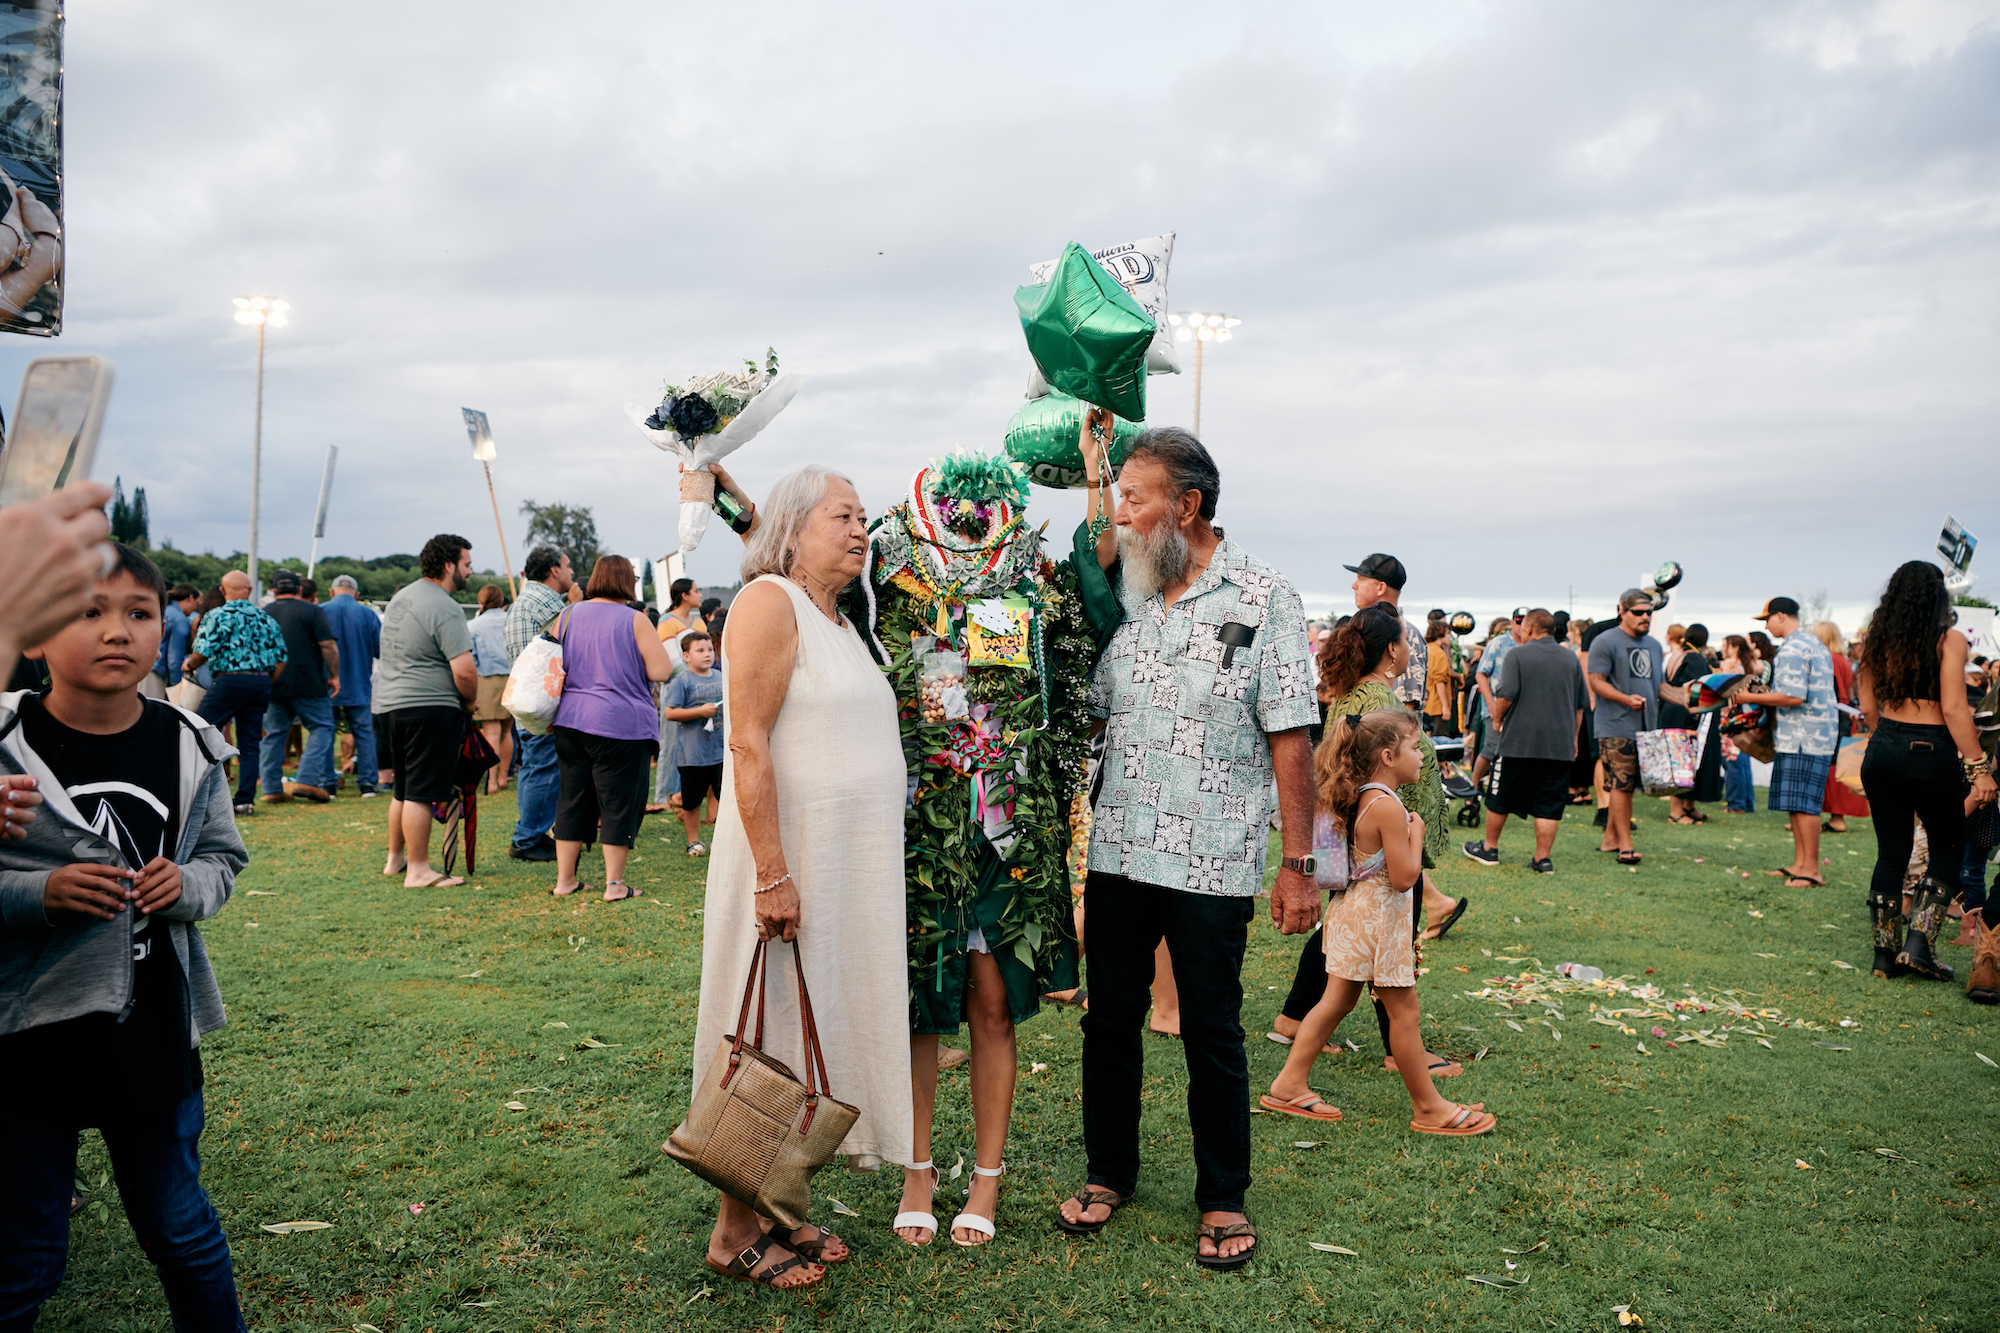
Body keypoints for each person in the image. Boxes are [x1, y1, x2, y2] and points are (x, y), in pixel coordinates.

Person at [1053, 426, 1319, 1271]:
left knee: (1211, 1027)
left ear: (1188, 506)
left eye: (1134, 497)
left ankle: (1222, 1196)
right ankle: (1108, 1172)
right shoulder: (1121, 593)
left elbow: (1291, 736)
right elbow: (1089, 713)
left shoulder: (1265, 594)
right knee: (1110, 1019)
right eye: (1118, 497)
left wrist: (1299, 863)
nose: (1120, 514)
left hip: (1214, 857)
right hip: (1120, 848)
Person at [0, 544, 251, 1332]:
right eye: (88, 611)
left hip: (149, 1034)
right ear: (35, 633)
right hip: (23, 1039)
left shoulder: (191, 743)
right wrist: (38, 893)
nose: (118, 631)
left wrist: (187, 886)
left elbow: (222, 858)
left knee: (181, 1230)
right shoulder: (5, 744)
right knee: (24, 1255)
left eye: (138, 613)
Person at [688, 464, 912, 1291]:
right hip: (791, 861)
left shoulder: (841, 619)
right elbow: (747, 742)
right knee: (771, 1029)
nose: (860, 531)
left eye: (863, 518)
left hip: (847, 867)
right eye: (841, 516)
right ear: (791, 531)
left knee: (820, 1021)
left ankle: (782, 1198)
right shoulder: (768, 602)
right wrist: (773, 874)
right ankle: (731, 1227)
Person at [1263, 709, 1496, 1137]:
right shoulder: (1389, 808)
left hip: (1354, 916)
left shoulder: (1363, 795)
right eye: (1414, 746)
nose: (1423, 754)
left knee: (1336, 1002)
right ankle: (1429, 1108)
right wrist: (1417, 831)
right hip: (1378, 923)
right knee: (1404, 1012)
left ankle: (1288, 1084)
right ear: (1388, 756)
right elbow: (1406, 877)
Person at [1271, 606, 1462, 1075]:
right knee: (1390, 957)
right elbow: (1390, 776)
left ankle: (1295, 1023)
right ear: (1392, 649)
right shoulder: (1378, 700)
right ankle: (1400, 1051)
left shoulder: (1353, 693)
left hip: (1363, 837)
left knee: (1343, 944)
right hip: (1383, 842)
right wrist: (1411, 826)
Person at [1857, 562, 1996, 981]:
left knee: (1891, 853)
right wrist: (1979, 768)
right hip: (1930, 749)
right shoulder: (1948, 639)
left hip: (1882, 748)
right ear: (1939, 595)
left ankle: (1884, 956)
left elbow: (1867, 710)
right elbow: (1954, 708)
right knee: (1949, 848)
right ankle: (1918, 947)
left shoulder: (1876, 640)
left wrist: (1889, 741)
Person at [548, 556, 677, 902]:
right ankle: (614, 885)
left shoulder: (568, 615)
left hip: (571, 721)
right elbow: (661, 671)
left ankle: (565, 880)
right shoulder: (635, 620)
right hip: (621, 725)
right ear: (626, 583)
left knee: (572, 801)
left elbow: (548, 659)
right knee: (618, 803)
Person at [374, 535, 476, 889]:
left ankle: (396, 859)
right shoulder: (444, 605)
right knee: (420, 791)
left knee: (402, 789)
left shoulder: (403, 596)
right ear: (449, 565)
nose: (470, 571)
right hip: (427, 705)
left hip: (389, 704)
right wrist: (469, 702)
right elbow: (464, 669)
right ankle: (419, 870)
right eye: (466, 564)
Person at [1461, 608, 1586, 873]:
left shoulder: (1517, 654)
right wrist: (1573, 738)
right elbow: (1579, 705)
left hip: (1519, 742)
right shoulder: (1571, 658)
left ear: (1529, 628)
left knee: (1500, 796)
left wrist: (1497, 716)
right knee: (1549, 803)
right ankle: (1542, 859)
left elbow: (1507, 693)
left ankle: (1489, 848)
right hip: (1559, 745)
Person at [1734, 598, 1839, 889]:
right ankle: (1800, 864)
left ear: (1781, 616)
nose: (1766, 626)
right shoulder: (1814, 643)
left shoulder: (1793, 647)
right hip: (1807, 734)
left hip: (1804, 736)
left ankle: (1811, 870)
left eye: (1767, 619)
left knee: (1805, 805)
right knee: (1796, 803)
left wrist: (1746, 697)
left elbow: (1792, 697)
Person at [187, 570, 288, 816]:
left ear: (222, 591)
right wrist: (266, 680)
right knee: (250, 743)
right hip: (260, 682)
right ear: (250, 590)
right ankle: (245, 801)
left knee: (199, 734)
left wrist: (189, 665)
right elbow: (281, 658)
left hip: (229, 681)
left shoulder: (217, 615)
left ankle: (198, 796)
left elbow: (202, 650)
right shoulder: (265, 617)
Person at [504, 545, 573, 863]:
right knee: (544, 770)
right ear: (554, 570)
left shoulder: (522, 600)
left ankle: (528, 833)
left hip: (527, 703)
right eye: (568, 566)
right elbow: (569, 645)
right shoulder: (548, 603)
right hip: (544, 703)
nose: (571, 573)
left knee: (533, 769)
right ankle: (528, 838)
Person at [1585, 590, 1662, 865]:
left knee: (1628, 785)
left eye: (1649, 613)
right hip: (1614, 724)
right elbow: (1596, 681)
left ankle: (1610, 839)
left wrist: (1693, 698)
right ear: (1622, 610)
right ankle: (1625, 845)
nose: (1645, 618)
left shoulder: (1654, 645)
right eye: (1638, 612)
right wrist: (1625, 699)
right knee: (1621, 785)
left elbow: (1658, 685)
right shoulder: (1604, 641)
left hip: (1646, 727)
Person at [257, 569, 339, 805]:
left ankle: (271, 789)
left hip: (273, 682)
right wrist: (334, 675)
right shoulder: (313, 610)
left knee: (273, 735)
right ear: (300, 589)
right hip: (310, 682)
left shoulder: (264, 613)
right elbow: (327, 646)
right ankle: (306, 779)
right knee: (322, 727)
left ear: (272, 590)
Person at [660, 630, 724, 857]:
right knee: (692, 800)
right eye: (700, 650)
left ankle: (724, 840)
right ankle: (693, 841)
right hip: (692, 754)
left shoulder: (720, 676)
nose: (707, 654)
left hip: (720, 752)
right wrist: (700, 712)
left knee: (725, 797)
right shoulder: (682, 681)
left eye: (710, 649)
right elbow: (670, 713)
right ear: (686, 656)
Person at [646, 578, 704, 815]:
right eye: (696, 590)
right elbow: (671, 658)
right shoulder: (666, 621)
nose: (700, 595)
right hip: (676, 687)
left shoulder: (699, 621)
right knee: (670, 742)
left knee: (694, 742)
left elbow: (704, 652)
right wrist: (696, 677)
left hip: (697, 686)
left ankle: (686, 793)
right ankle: (663, 794)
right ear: (684, 596)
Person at [321, 575, 382, 797]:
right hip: (358, 683)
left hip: (326, 684)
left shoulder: (321, 611)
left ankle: (328, 783)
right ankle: (368, 784)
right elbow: (379, 650)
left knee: (325, 732)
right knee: (364, 733)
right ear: (356, 594)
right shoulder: (368, 614)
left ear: (331, 591)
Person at [1345, 553, 1428, 712]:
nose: (1354, 585)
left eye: (1361, 579)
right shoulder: (1361, 629)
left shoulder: (1405, 635)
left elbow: (1406, 707)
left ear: (1381, 587)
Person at [1659, 624, 1725, 824]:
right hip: (1685, 712)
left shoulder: (1677, 655)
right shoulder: (1694, 658)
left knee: (1692, 757)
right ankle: (1676, 811)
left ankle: (1688, 806)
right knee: (1683, 757)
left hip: (1676, 710)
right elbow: (1692, 687)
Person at [1814, 621, 1869, 834]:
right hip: (1846, 717)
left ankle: (1817, 816)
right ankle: (1837, 817)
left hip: (1832, 718)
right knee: (1842, 769)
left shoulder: (1828, 660)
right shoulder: (1844, 660)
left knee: (1828, 768)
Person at [1471, 612, 1527, 790]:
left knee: (1518, 752)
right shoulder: (1498, 643)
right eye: (1518, 621)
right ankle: (1472, 789)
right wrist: (1491, 705)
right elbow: (1480, 674)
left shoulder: (1530, 644)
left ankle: (1508, 789)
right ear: (1512, 622)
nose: (1521, 625)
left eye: (1525, 622)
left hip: (1522, 710)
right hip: (1496, 706)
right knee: (1491, 749)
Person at [468, 583, 513, 797]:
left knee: (492, 732)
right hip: (512, 679)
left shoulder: (473, 625)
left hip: (486, 680)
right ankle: (504, 776)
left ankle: (492, 781)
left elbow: (472, 657)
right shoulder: (511, 621)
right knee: (506, 731)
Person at [150, 584, 197, 703]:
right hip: (158, 671)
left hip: (147, 666)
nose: (195, 609)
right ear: (190, 598)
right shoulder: (179, 620)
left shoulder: (164, 610)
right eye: (196, 603)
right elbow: (175, 657)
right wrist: (177, 684)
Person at [1423, 619, 1452, 735]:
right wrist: (1445, 706)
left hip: (1427, 704)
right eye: (1448, 633)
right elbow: (1439, 681)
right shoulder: (1439, 653)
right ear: (1440, 634)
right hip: (1437, 706)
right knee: (1441, 742)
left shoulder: (1426, 649)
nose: (1450, 636)